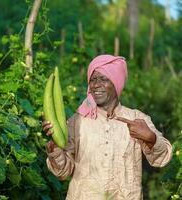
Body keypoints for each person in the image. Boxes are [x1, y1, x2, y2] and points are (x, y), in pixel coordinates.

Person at [42, 55, 172, 200]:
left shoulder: (137, 119)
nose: (96, 85)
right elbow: (63, 172)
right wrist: (55, 151)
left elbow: (163, 157)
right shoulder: (77, 121)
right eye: (93, 79)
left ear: (117, 83)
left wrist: (151, 138)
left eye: (103, 79)